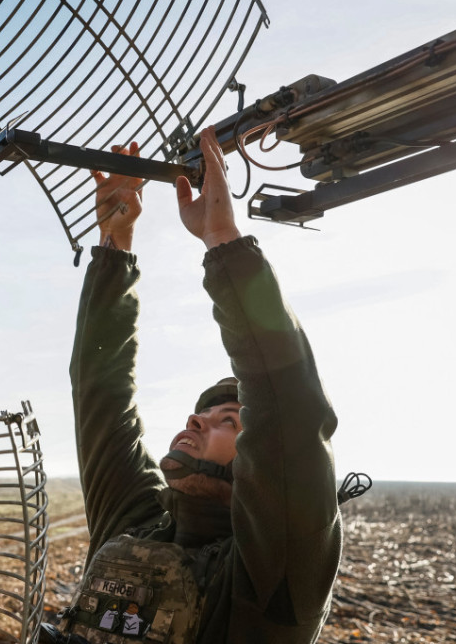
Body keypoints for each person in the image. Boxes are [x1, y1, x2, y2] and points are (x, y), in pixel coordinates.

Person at [48, 127, 342, 643]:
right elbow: (100, 386)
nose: (197, 419)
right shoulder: (133, 521)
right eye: (203, 414)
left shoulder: (272, 572)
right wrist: (116, 242)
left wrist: (223, 242)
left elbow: (287, 405)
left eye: (229, 420)